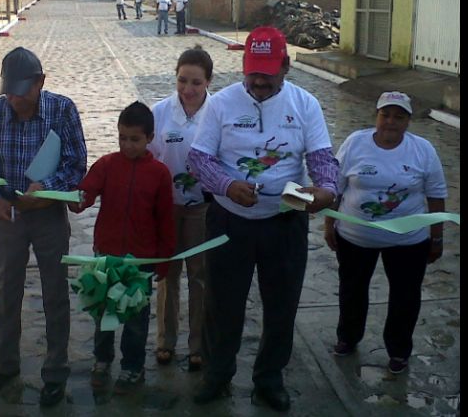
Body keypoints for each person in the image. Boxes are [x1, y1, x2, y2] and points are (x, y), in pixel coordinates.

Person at [188, 26, 338, 411]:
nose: (258, 80)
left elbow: (321, 158)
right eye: (252, 70)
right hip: (229, 220)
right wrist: (225, 183)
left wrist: (325, 189)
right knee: (222, 305)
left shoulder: (306, 105)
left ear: (286, 66)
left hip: (284, 221)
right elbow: (199, 158)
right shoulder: (221, 104)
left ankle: (269, 379)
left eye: (267, 72)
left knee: (281, 305)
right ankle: (217, 375)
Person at [0, 46, 87, 407]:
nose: (15, 99)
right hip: (11, 215)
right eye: (10, 91)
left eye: (22, 90)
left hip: (49, 215)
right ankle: (5, 364)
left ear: (40, 82)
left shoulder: (62, 110)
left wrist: (50, 190)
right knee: (8, 290)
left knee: (55, 292)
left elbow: (76, 163)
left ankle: (55, 371)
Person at [324, 91, 447, 375]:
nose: (391, 121)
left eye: (399, 116)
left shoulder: (423, 150)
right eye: (385, 114)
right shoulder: (356, 142)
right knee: (352, 290)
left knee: (405, 297)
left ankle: (399, 351)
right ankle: (348, 337)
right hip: (354, 238)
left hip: (409, 241)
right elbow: (337, 185)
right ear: (376, 116)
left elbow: (436, 195)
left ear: (408, 121)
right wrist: (329, 223)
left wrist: (437, 237)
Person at [69, 101, 176, 395]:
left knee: (136, 319)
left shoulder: (160, 174)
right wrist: (77, 200)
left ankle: (133, 367)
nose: (127, 145)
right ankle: (102, 360)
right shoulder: (106, 165)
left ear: (150, 138)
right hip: (106, 257)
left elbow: (165, 220)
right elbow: (86, 191)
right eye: (122, 138)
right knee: (103, 313)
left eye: (135, 139)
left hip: (140, 262)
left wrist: (163, 260)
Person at [147, 46, 213, 372]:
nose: (188, 89)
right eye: (182, 80)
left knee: (200, 277)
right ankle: (165, 341)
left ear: (208, 83)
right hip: (168, 208)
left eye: (196, 83)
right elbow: (147, 159)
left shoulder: (218, 113)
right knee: (167, 275)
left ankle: (198, 344)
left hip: (203, 208)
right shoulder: (159, 113)